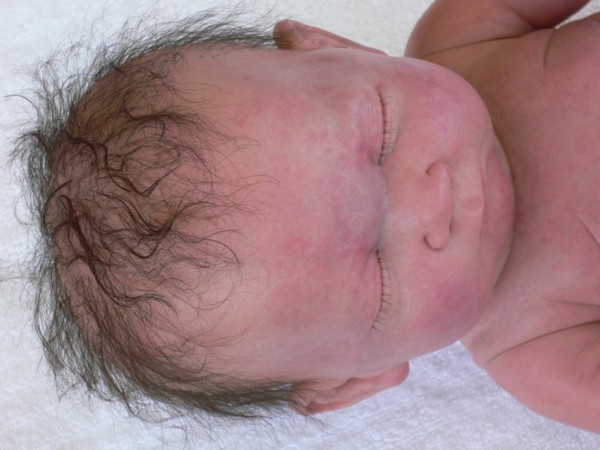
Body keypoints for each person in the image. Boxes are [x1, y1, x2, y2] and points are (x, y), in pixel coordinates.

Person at [13, 0, 599, 432]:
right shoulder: (540, 350)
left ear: (333, 47)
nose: (436, 198)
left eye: (381, 136)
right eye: (381, 275)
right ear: (355, 379)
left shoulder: (471, 34)